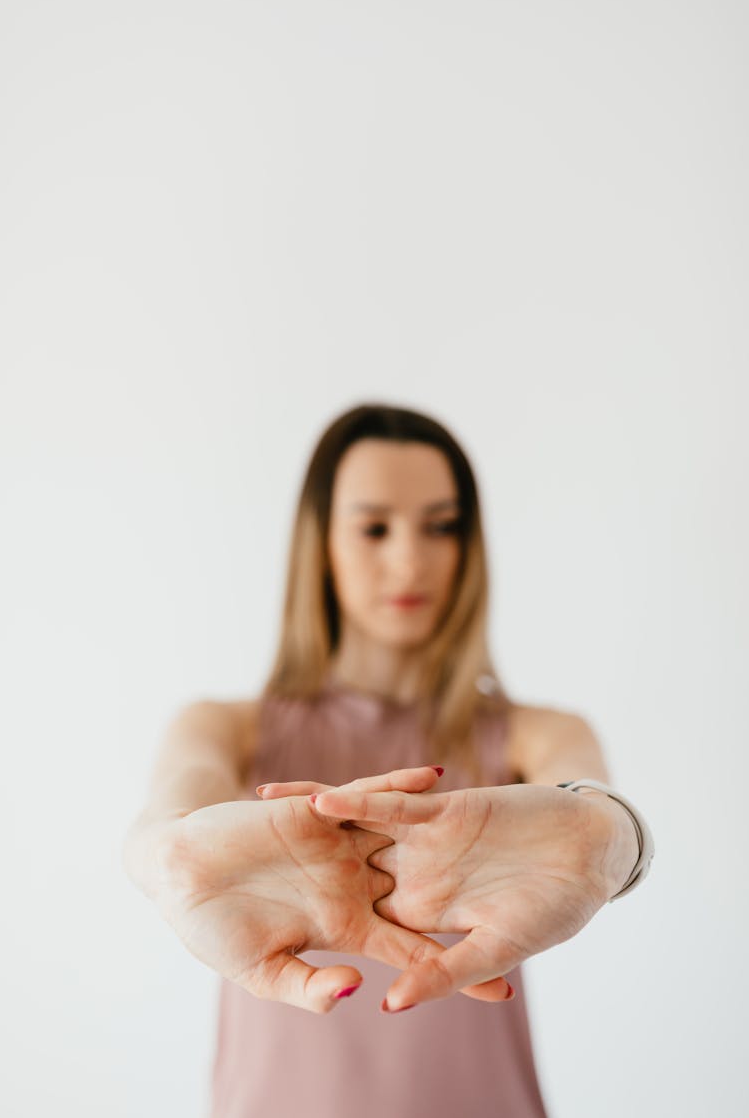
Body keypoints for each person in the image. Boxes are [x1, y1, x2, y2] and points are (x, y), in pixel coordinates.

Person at [123, 402, 653, 1118]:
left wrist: (616, 841)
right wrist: (164, 859)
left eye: (441, 526)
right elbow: (168, 819)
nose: (410, 559)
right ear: (321, 543)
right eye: (374, 527)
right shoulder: (224, 728)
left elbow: (597, 806)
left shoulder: (535, 734)